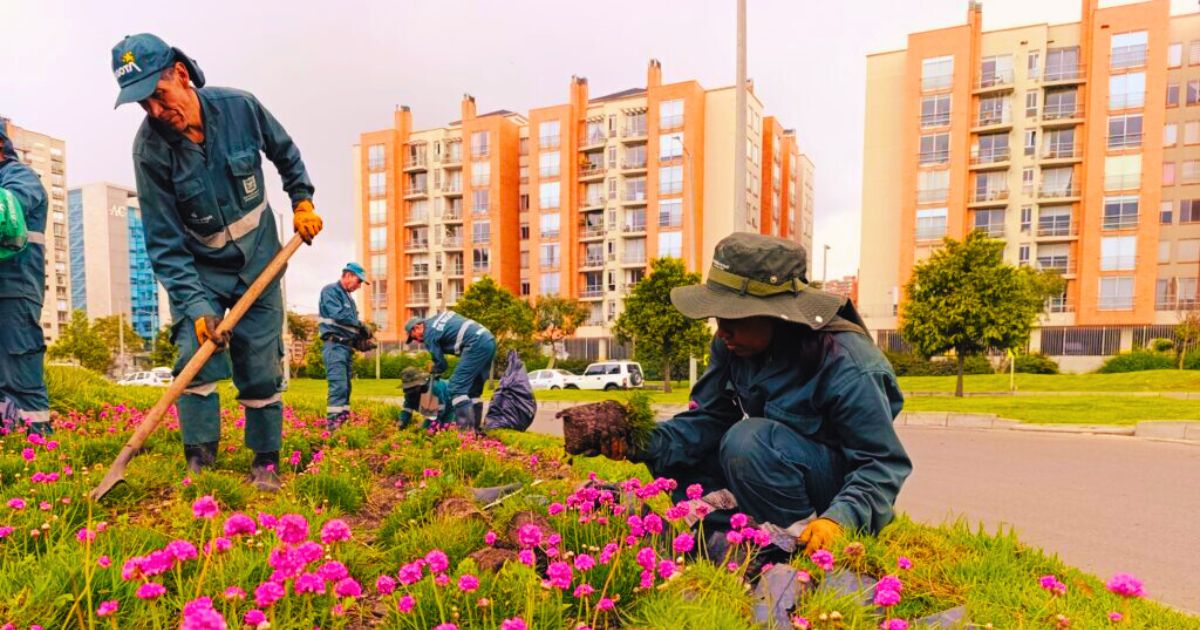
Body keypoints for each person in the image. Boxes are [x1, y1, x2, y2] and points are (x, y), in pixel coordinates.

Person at [578, 233, 911, 556]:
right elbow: (708, 420)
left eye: (733, 316)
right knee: (677, 453)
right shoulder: (733, 345)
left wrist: (839, 520)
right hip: (779, 476)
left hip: (833, 493)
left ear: (778, 315)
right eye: (718, 316)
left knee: (748, 440)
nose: (722, 330)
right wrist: (637, 439)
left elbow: (880, 464)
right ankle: (729, 539)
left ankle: (791, 549)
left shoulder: (848, 362)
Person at [112, 33, 323, 491]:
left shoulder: (241, 107)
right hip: (199, 271)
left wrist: (302, 201)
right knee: (194, 353)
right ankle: (200, 461)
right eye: (142, 103)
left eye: (158, 95)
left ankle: (265, 463)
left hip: (261, 261)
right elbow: (165, 242)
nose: (154, 111)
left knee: (262, 361)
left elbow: (285, 154)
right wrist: (197, 306)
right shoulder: (150, 150)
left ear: (182, 75)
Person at [0, 126, 51, 436]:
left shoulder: (20, 177)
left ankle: (38, 445)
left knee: (19, 375)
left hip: (14, 292)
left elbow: (7, 212)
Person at [404, 312, 496, 431]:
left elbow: (441, 364)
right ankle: (475, 431)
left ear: (417, 327)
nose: (417, 341)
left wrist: (433, 370)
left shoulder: (429, 334)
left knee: (456, 388)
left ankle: (466, 434)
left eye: (413, 337)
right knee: (473, 391)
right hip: (488, 340)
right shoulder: (437, 319)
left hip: (475, 344)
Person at [318, 263, 371, 430]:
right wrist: (360, 324)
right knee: (338, 387)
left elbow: (347, 327)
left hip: (345, 348)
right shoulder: (330, 291)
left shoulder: (349, 299)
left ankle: (343, 425)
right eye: (358, 281)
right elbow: (338, 316)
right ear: (348, 275)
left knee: (346, 388)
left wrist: (359, 341)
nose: (359, 285)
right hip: (334, 347)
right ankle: (333, 430)